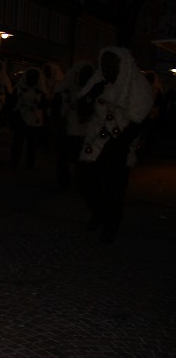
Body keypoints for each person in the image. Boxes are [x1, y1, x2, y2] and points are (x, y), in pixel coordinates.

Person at [76, 46, 153, 243]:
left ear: (122, 64)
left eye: (111, 63)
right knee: (85, 179)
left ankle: (110, 227)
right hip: (95, 142)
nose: (107, 67)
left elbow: (140, 120)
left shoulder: (136, 85)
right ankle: (100, 212)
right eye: (104, 63)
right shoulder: (99, 82)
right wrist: (90, 94)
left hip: (121, 144)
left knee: (114, 189)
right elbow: (82, 113)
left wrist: (120, 145)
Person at [52, 61, 94, 189]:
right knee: (64, 158)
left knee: (84, 160)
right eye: (84, 74)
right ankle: (64, 183)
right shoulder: (65, 91)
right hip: (68, 132)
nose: (86, 78)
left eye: (89, 75)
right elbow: (56, 111)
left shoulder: (94, 92)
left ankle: (81, 182)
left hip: (87, 133)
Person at [10, 67, 47, 170]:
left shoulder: (41, 92)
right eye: (30, 77)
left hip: (34, 121)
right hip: (20, 118)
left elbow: (44, 106)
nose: (31, 80)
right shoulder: (18, 89)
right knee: (18, 142)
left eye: (34, 77)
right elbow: (12, 103)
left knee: (32, 144)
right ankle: (14, 162)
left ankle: (29, 165)